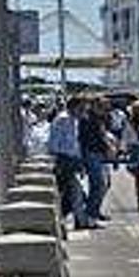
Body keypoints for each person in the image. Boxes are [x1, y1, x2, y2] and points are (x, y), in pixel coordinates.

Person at [48, 97, 94, 229]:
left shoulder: (74, 120)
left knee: (76, 192)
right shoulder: (62, 120)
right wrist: (62, 160)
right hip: (64, 161)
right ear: (74, 107)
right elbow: (54, 144)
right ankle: (73, 220)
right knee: (69, 192)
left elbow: (74, 143)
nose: (84, 111)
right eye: (82, 108)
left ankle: (79, 220)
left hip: (72, 160)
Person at [79, 98, 112, 222]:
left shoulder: (99, 119)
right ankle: (91, 212)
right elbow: (90, 139)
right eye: (104, 108)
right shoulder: (87, 119)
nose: (106, 111)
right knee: (98, 184)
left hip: (99, 154)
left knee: (105, 184)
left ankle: (95, 210)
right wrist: (105, 146)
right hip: (91, 153)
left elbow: (103, 135)